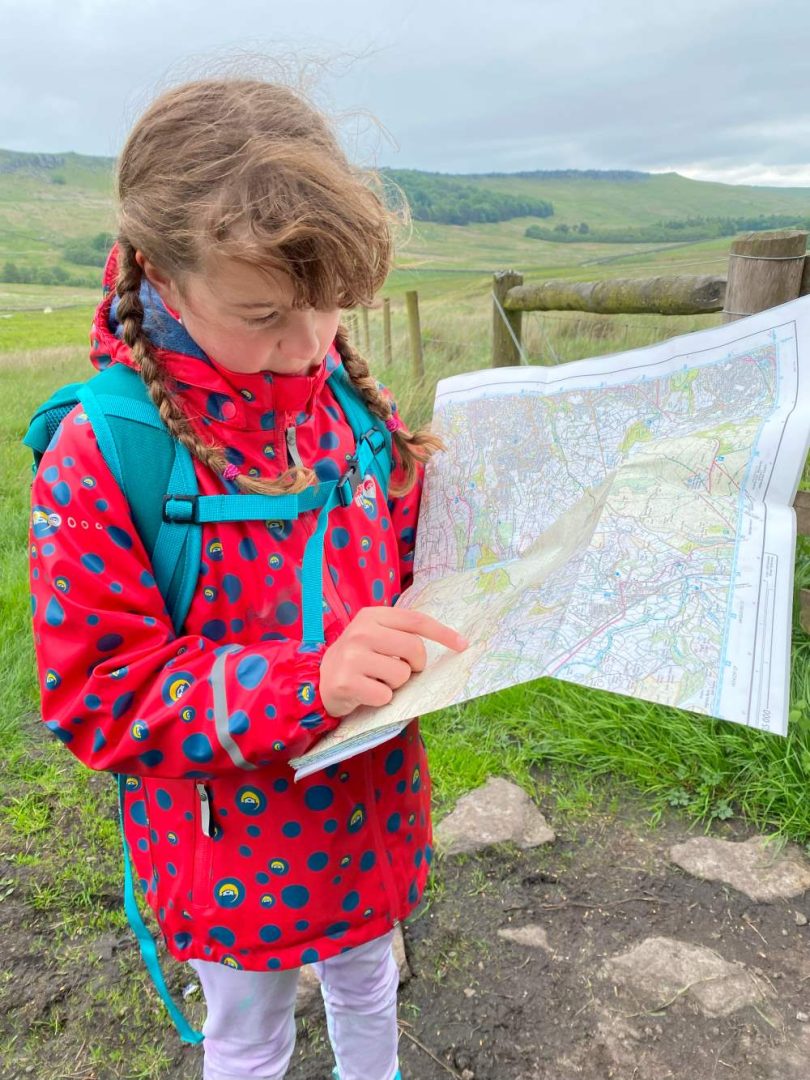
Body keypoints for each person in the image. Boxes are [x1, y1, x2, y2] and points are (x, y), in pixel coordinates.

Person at [28, 78, 468, 1080]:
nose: (309, 348)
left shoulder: (348, 403)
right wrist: (307, 684)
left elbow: (398, 557)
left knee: (369, 980)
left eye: (329, 309)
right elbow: (102, 692)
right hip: (227, 847)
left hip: (368, 801)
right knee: (248, 1031)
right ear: (160, 274)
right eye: (266, 313)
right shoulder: (105, 455)